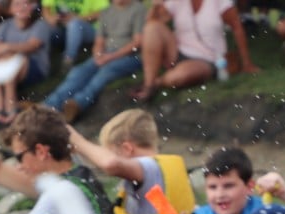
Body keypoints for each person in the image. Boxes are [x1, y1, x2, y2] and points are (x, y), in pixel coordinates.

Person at [67, 108, 195, 214]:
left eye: (111, 152)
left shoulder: (149, 168)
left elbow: (110, 164)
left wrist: (75, 139)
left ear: (127, 149)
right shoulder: (165, 167)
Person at [129, 0, 258, 102]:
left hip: (207, 58)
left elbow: (237, 28)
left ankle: (157, 83)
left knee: (179, 77)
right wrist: (156, 6)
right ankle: (148, 83)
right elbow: (154, 22)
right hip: (179, 51)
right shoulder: (178, 2)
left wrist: (247, 63)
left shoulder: (220, 2)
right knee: (152, 28)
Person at [41, 0, 144, 123]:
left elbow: (137, 43)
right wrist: (98, 54)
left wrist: (111, 56)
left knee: (105, 72)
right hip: (107, 53)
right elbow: (99, 39)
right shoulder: (107, 11)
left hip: (131, 56)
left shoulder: (138, 9)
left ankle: (77, 103)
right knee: (79, 71)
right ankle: (48, 105)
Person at [0, 0, 51, 125]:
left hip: (34, 68)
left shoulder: (40, 25)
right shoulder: (6, 25)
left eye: (26, 4)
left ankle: (9, 106)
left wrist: (7, 48)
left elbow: (32, 46)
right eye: (17, 4)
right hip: (7, 67)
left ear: (33, 7)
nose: (22, 8)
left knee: (11, 58)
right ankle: (0, 102)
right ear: (10, 9)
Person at [41, 0, 107, 67]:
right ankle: (42, 64)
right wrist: (50, 18)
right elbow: (46, 7)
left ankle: (68, 62)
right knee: (42, 25)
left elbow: (103, 12)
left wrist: (77, 18)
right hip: (60, 27)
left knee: (74, 24)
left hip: (88, 28)